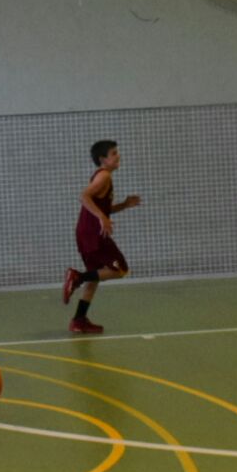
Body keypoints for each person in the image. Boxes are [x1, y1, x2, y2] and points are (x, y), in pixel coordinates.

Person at [61, 140, 141, 334]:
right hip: (93, 233)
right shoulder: (103, 176)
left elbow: (102, 208)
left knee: (95, 276)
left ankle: (79, 320)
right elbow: (84, 196)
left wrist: (124, 205)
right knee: (120, 269)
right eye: (113, 153)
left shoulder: (104, 177)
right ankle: (77, 277)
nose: (118, 156)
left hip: (86, 232)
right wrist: (102, 217)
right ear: (102, 159)